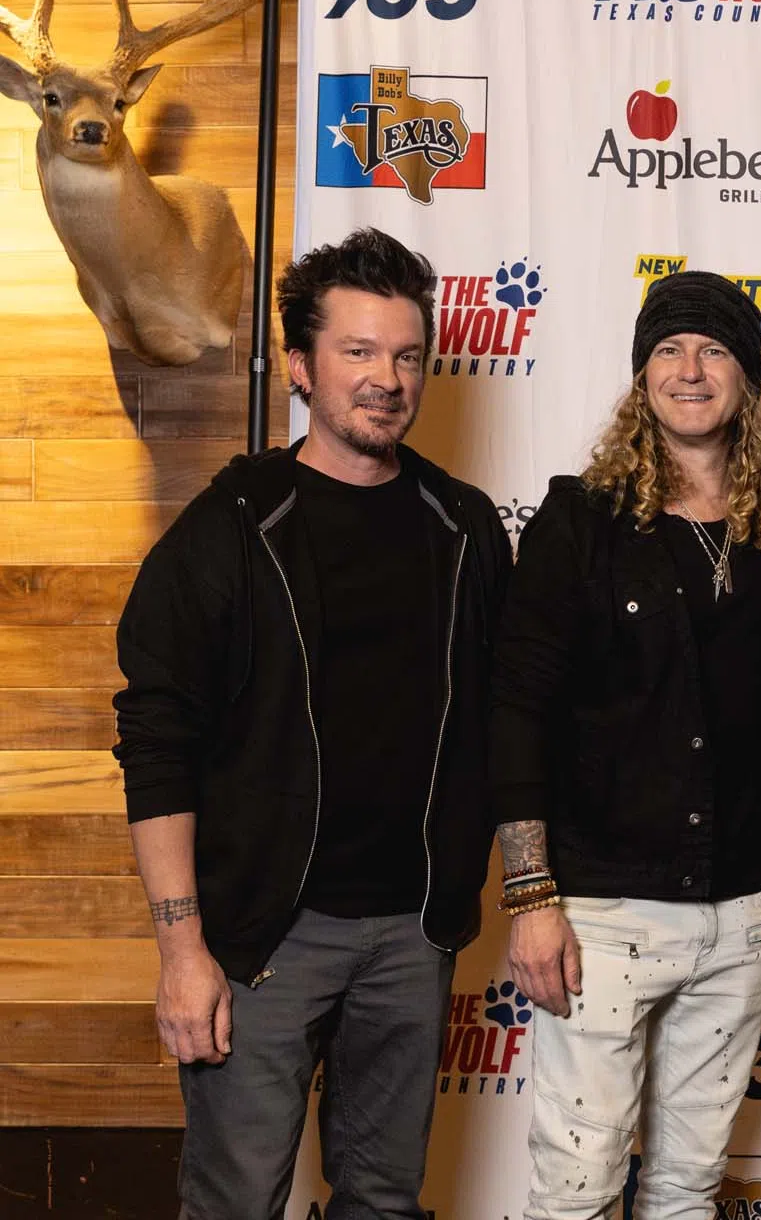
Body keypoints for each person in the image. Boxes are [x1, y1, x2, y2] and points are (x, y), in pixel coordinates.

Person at [112, 227, 511, 1217]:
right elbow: (157, 746)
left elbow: (510, 718)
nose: (387, 378)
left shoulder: (464, 526)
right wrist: (183, 951)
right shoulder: (231, 527)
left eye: (407, 355)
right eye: (358, 351)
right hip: (262, 936)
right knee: (237, 1197)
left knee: (383, 1198)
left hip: (415, 932)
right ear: (300, 365)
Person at [489, 270, 761, 1220]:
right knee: (578, 1190)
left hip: (741, 911)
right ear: (641, 376)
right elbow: (517, 707)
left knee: (687, 1189)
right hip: (600, 914)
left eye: (714, 350)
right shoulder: (582, 518)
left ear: (746, 377)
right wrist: (531, 894)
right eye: (668, 350)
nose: (690, 370)